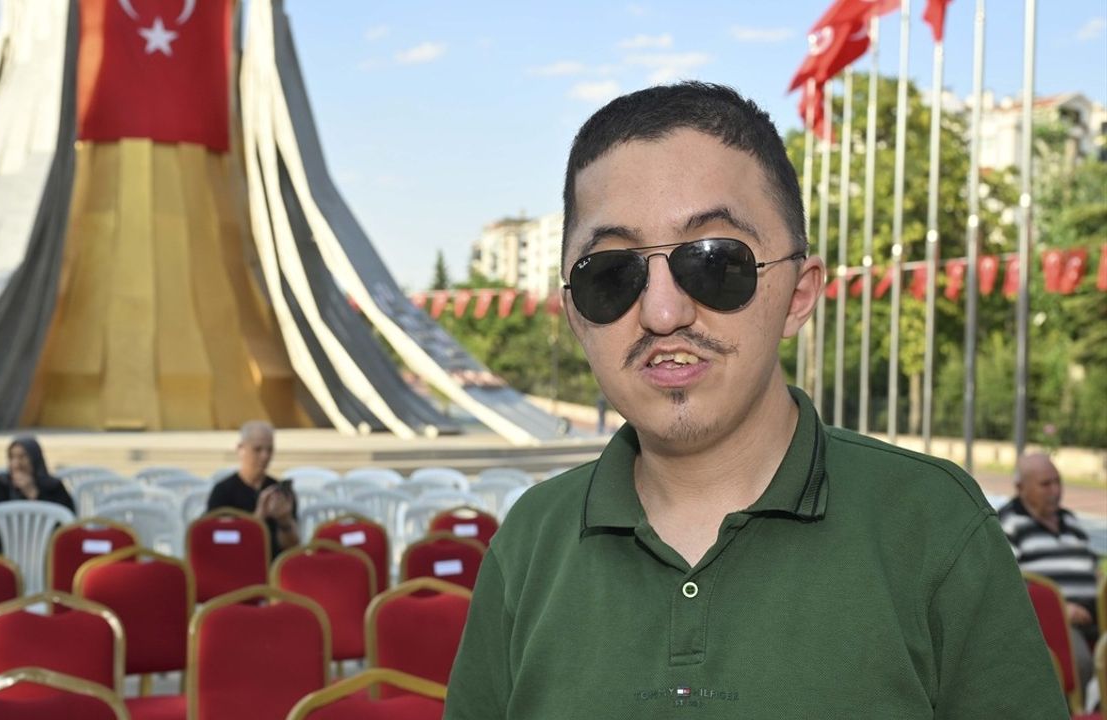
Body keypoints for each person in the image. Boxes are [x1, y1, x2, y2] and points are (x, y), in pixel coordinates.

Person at [445, 82, 1064, 718]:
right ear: (576, 314)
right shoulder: (529, 543)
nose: (663, 312)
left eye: (715, 262)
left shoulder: (933, 525)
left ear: (799, 295)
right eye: (611, 273)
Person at [999, 451, 1101, 692]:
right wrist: (1061, 608)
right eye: (1046, 484)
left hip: (1096, 613)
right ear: (1021, 487)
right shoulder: (1008, 524)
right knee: (1079, 663)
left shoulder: (1070, 521)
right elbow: (1007, 582)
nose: (1055, 490)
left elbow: (1094, 569)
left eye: (1058, 482)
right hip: (1053, 620)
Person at [206, 420, 299, 557]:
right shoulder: (223, 491)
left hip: (272, 563)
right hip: (235, 562)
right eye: (257, 449)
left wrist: (284, 521)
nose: (265, 456)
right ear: (241, 449)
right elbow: (218, 541)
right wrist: (258, 518)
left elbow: (292, 548)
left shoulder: (279, 493)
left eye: (269, 450)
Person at [0, 436, 76, 553]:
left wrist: (34, 494)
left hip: (45, 549)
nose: (16, 464)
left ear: (34, 459)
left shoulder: (53, 486)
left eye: (22, 457)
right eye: (12, 457)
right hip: (6, 549)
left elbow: (67, 521)